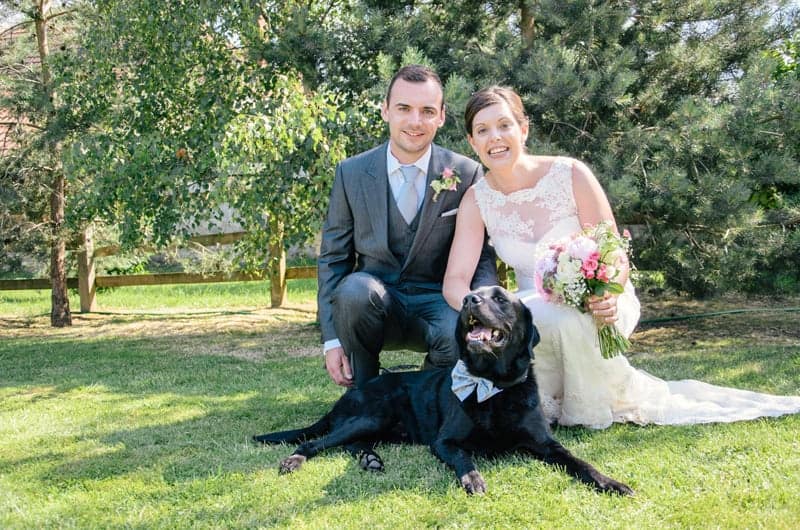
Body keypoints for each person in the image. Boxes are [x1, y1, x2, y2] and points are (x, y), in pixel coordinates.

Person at [443, 85, 800, 429]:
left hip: (599, 297)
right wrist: (485, 314)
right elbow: (455, 281)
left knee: (560, 319)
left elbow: (613, 250)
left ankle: (583, 404)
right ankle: (542, 403)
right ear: (472, 142)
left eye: (504, 125)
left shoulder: (569, 173)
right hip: (530, 305)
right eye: (483, 130)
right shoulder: (478, 200)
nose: (495, 137)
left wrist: (607, 293)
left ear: (523, 129)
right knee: (537, 319)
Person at [317, 65, 497, 388]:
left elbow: (482, 259)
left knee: (458, 331)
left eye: (427, 111)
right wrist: (332, 339)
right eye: (404, 108)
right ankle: (364, 396)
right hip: (373, 304)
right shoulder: (351, 173)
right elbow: (333, 259)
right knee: (354, 291)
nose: (415, 122)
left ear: (441, 116)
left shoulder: (466, 172)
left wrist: (482, 318)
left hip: (439, 303)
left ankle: (427, 392)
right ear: (385, 110)